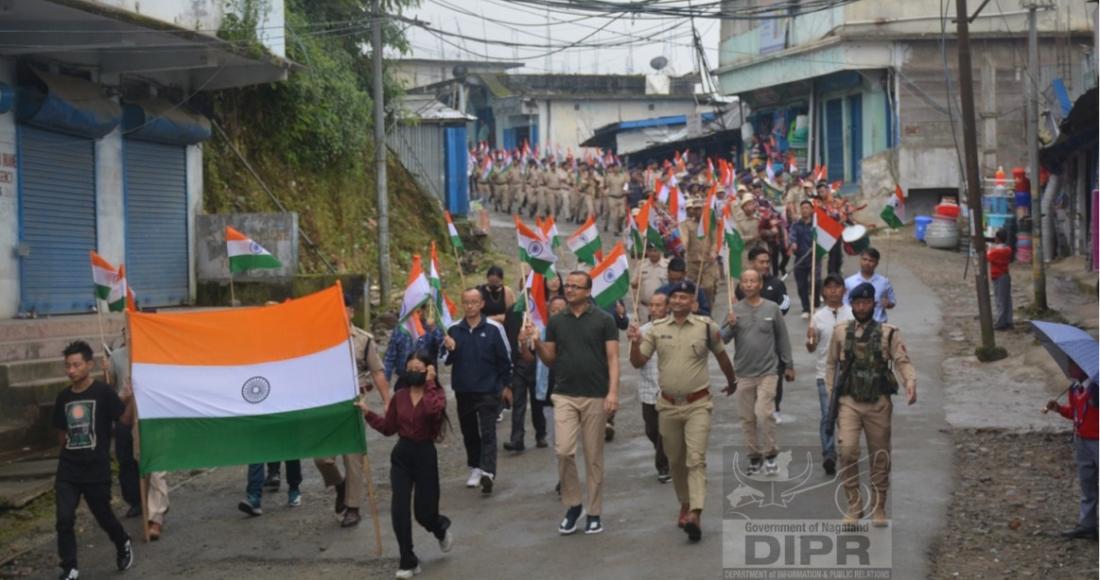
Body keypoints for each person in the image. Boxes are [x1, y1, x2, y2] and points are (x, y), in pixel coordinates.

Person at [628, 281, 737, 542]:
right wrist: (634, 342)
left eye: (683, 297)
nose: (678, 301)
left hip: (698, 404)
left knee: (695, 459)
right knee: (676, 460)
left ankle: (696, 513)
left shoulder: (706, 327)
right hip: (667, 405)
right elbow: (638, 361)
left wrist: (732, 381)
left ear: (693, 302)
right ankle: (685, 503)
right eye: (674, 297)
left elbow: (722, 356)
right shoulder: (655, 329)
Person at [523, 271, 620, 535]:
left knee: (593, 456)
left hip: (595, 395)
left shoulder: (604, 320)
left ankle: (594, 512)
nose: (570, 290)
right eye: (568, 286)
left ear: (588, 292)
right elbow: (550, 359)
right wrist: (537, 341)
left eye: (576, 286)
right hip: (564, 394)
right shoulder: (557, 321)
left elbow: (613, 359)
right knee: (564, 451)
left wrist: (612, 393)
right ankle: (573, 504)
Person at [825, 282, 917, 527]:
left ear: (874, 304)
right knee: (847, 451)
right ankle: (854, 506)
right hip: (849, 403)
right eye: (857, 303)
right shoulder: (840, 331)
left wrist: (910, 381)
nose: (862, 307)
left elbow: (902, 360)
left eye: (866, 303)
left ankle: (879, 506)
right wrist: (831, 392)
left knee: (880, 456)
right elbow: (831, 363)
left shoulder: (888, 332)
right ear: (851, 305)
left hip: (878, 404)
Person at [360, 350, 454, 578]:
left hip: (424, 454)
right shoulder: (400, 396)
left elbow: (433, 412)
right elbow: (389, 427)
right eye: (409, 369)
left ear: (428, 370)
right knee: (399, 509)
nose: (413, 373)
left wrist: (431, 382)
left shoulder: (436, 394)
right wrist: (367, 414)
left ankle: (439, 527)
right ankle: (407, 559)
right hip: (402, 455)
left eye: (418, 369)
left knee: (424, 513)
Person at [53, 340, 135, 580]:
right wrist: (69, 455)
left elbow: (123, 422)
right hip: (68, 469)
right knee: (64, 518)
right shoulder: (63, 397)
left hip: (96, 468)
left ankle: (123, 542)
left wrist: (129, 400)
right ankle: (70, 567)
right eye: (68, 365)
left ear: (89, 365)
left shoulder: (103, 392)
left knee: (103, 515)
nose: (71, 370)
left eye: (76, 365)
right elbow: (60, 431)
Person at [315, 292, 392, 527]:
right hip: (328, 404)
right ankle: (340, 486)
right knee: (322, 458)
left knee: (353, 458)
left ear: (351, 312)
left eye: (343, 309)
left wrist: (387, 401)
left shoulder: (364, 340)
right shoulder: (320, 339)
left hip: (353, 403)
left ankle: (353, 507)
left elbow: (377, 372)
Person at [720, 270, 794, 476]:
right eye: (745, 281)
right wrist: (730, 325)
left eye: (753, 281)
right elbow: (721, 338)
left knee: (764, 413)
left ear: (760, 284)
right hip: (743, 373)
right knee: (747, 418)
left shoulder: (772, 308)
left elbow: (782, 338)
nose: (749, 284)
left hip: (768, 372)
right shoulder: (734, 310)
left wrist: (788, 364)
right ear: (741, 285)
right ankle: (754, 457)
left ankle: (770, 454)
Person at [442, 288, 513, 494]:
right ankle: (475, 466)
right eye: (466, 302)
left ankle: (488, 472)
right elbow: (444, 360)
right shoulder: (454, 329)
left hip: (488, 389)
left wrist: (507, 385)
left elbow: (505, 358)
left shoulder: (493, 328)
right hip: (464, 389)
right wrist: (450, 349)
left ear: (482, 304)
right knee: (469, 432)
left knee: (488, 431)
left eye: (474, 302)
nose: (470, 306)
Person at [110, 337, 170, 540]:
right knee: (135, 465)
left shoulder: (161, 356)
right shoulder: (122, 360)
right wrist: (126, 395)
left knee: (157, 470)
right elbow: (116, 397)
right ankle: (141, 503)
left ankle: (156, 517)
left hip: (158, 422)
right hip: (133, 423)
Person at [734, 247, 791, 422]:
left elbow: (785, 307)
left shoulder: (777, 284)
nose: (765, 265)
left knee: (775, 374)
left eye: (767, 262)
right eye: (761, 262)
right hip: (749, 340)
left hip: (772, 337)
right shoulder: (742, 286)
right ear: (752, 263)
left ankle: (775, 407)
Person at [805, 274, 853, 476]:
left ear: (844, 290)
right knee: (828, 414)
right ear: (823, 291)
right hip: (824, 372)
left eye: (837, 286)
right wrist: (810, 340)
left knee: (847, 415)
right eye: (829, 287)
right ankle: (828, 453)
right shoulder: (817, 317)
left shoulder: (852, 314)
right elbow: (811, 347)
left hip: (849, 372)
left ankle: (847, 451)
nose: (833, 290)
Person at [1045, 363, 1098, 540]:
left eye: (1073, 366)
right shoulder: (1075, 388)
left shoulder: (1096, 388)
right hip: (1081, 439)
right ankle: (1087, 525)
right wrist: (1059, 409)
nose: (1069, 370)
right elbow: (1075, 413)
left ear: (1084, 367)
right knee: (1087, 482)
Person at [634, 292, 671, 483]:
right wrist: (634, 342)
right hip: (648, 387)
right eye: (652, 305)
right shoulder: (642, 331)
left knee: (665, 431)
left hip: (668, 388)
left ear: (667, 307)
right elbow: (636, 361)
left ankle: (663, 466)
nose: (655, 309)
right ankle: (669, 453)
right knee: (651, 429)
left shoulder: (675, 328)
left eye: (659, 305)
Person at [107, 331, 142, 519]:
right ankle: (135, 500)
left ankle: (153, 501)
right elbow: (110, 383)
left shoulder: (151, 351)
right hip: (124, 416)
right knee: (126, 459)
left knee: (146, 460)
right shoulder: (116, 356)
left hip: (145, 417)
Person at [383, 308, 443, 384]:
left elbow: (442, 348)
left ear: (424, 310)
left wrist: (434, 329)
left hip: (426, 378)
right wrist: (385, 380)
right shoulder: (400, 329)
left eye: (419, 311)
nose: (417, 314)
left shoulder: (430, 327)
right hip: (404, 378)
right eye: (414, 310)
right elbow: (389, 357)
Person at [843, 247, 896, 324]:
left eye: (871, 261)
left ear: (876, 263)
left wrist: (888, 304)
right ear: (860, 260)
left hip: (879, 324)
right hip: (855, 324)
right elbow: (845, 303)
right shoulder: (849, 282)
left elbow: (892, 302)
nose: (867, 263)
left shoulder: (884, 282)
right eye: (864, 259)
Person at [788, 200, 818, 318]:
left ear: (811, 210)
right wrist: (793, 243)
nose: (804, 210)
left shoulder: (816, 225)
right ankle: (805, 308)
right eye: (802, 208)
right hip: (800, 259)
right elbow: (792, 235)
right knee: (801, 285)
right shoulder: (796, 225)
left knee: (816, 283)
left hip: (814, 258)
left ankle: (814, 306)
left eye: (807, 208)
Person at [631, 245, 669, 330]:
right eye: (651, 251)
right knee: (644, 332)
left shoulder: (667, 265)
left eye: (655, 251)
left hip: (661, 309)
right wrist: (635, 283)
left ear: (660, 251)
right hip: (644, 307)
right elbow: (633, 286)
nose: (653, 253)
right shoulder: (641, 264)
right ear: (647, 251)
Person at [987, 229, 1014, 330]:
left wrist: (990, 248)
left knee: (1000, 300)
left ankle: (1001, 323)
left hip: (999, 276)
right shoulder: (1007, 249)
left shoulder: (997, 251)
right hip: (1005, 275)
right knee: (1007, 299)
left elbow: (988, 256)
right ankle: (1008, 320)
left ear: (997, 238)